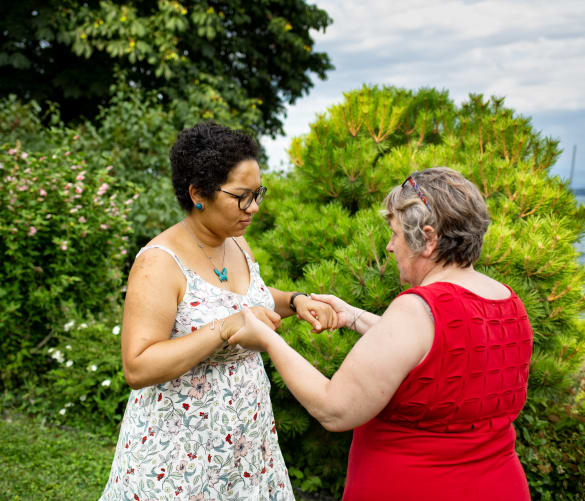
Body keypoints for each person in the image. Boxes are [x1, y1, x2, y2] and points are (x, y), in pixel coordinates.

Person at [229, 167, 533, 501]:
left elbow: (335, 409)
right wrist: (353, 317)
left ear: (428, 239)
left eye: (395, 233)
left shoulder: (418, 308)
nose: (389, 247)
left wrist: (269, 340)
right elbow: (439, 354)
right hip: (500, 487)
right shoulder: (507, 301)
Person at [99, 121, 337, 501]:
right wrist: (224, 328)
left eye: (258, 193)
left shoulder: (236, 241)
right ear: (198, 194)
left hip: (245, 452)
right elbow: (137, 366)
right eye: (242, 196)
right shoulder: (160, 263)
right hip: (179, 457)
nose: (255, 207)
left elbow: (246, 298)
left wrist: (295, 300)